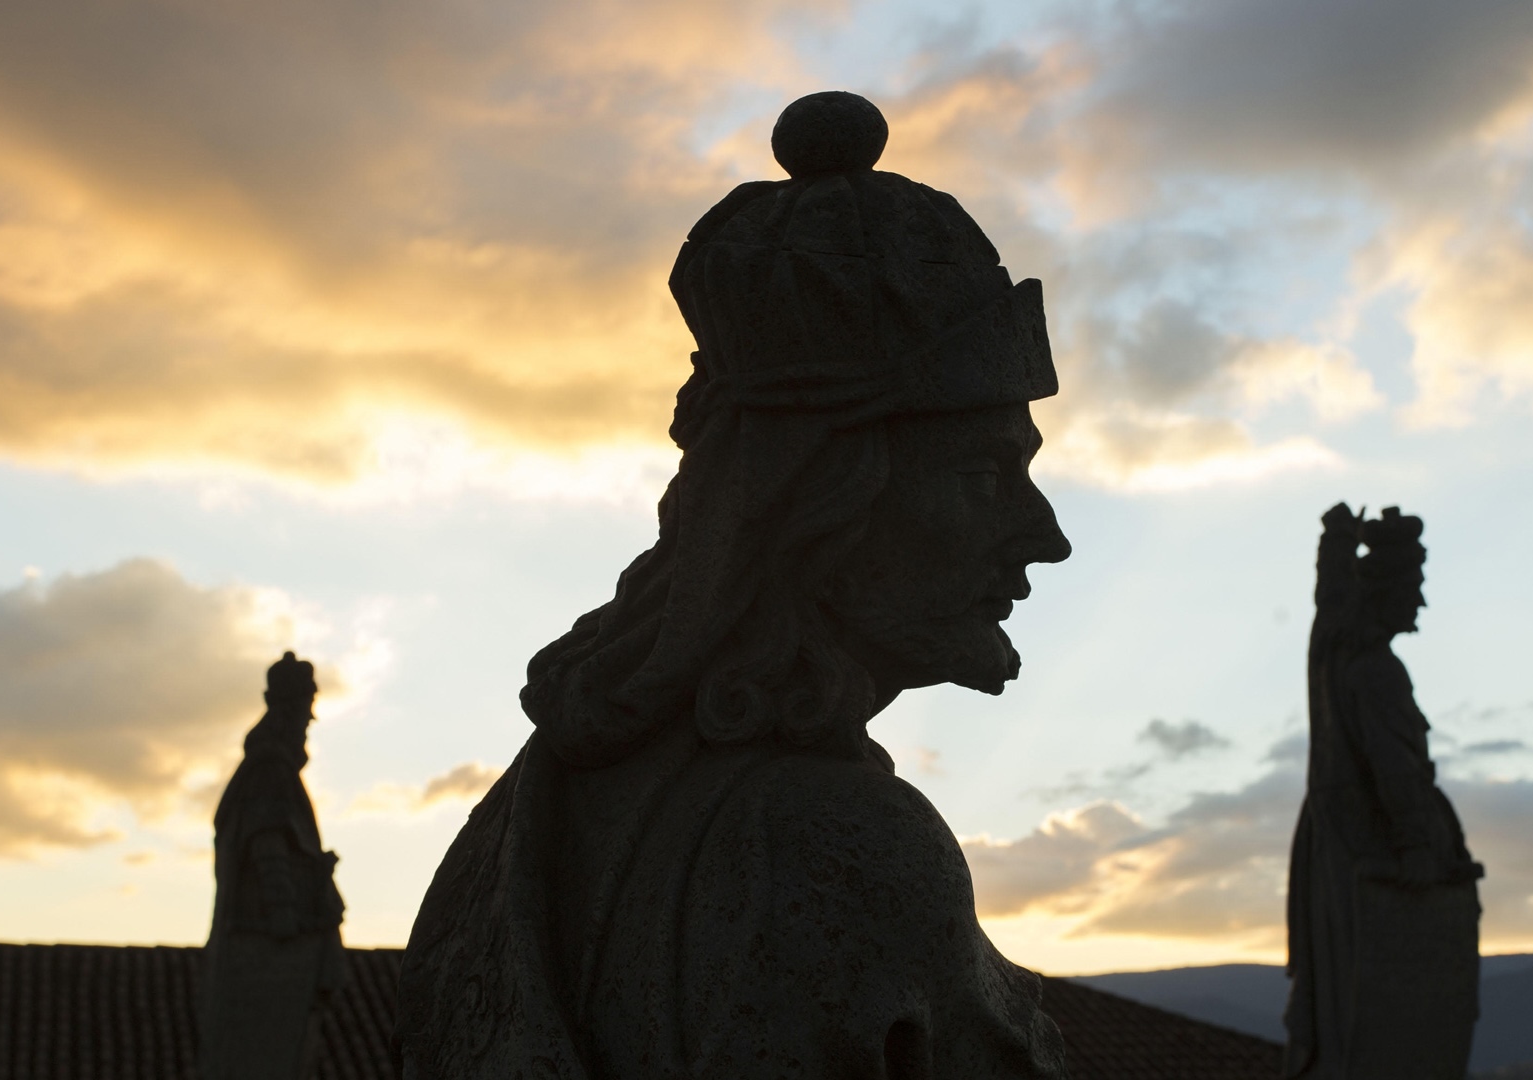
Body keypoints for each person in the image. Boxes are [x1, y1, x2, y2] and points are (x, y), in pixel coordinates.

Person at [396, 91, 1073, 1079]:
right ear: (812, 508)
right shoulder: (844, 845)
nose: (1046, 538)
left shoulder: (543, 803)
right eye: (982, 476)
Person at [1285, 504, 1483, 1080]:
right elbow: (1397, 769)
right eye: (1414, 587)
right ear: (1387, 590)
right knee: (1382, 1013)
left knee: (1337, 996)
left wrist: (1338, 537)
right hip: (1371, 849)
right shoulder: (1376, 671)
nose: (1420, 603)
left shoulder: (1332, 645)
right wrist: (1417, 848)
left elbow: (1330, 593)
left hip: (1332, 842)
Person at [202, 651, 346, 1080]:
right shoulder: (270, 771)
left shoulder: (274, 769)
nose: (309, 719)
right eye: (305, 707)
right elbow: (267, 843)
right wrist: (283, 911)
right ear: (285, 708)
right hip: (274, 939)